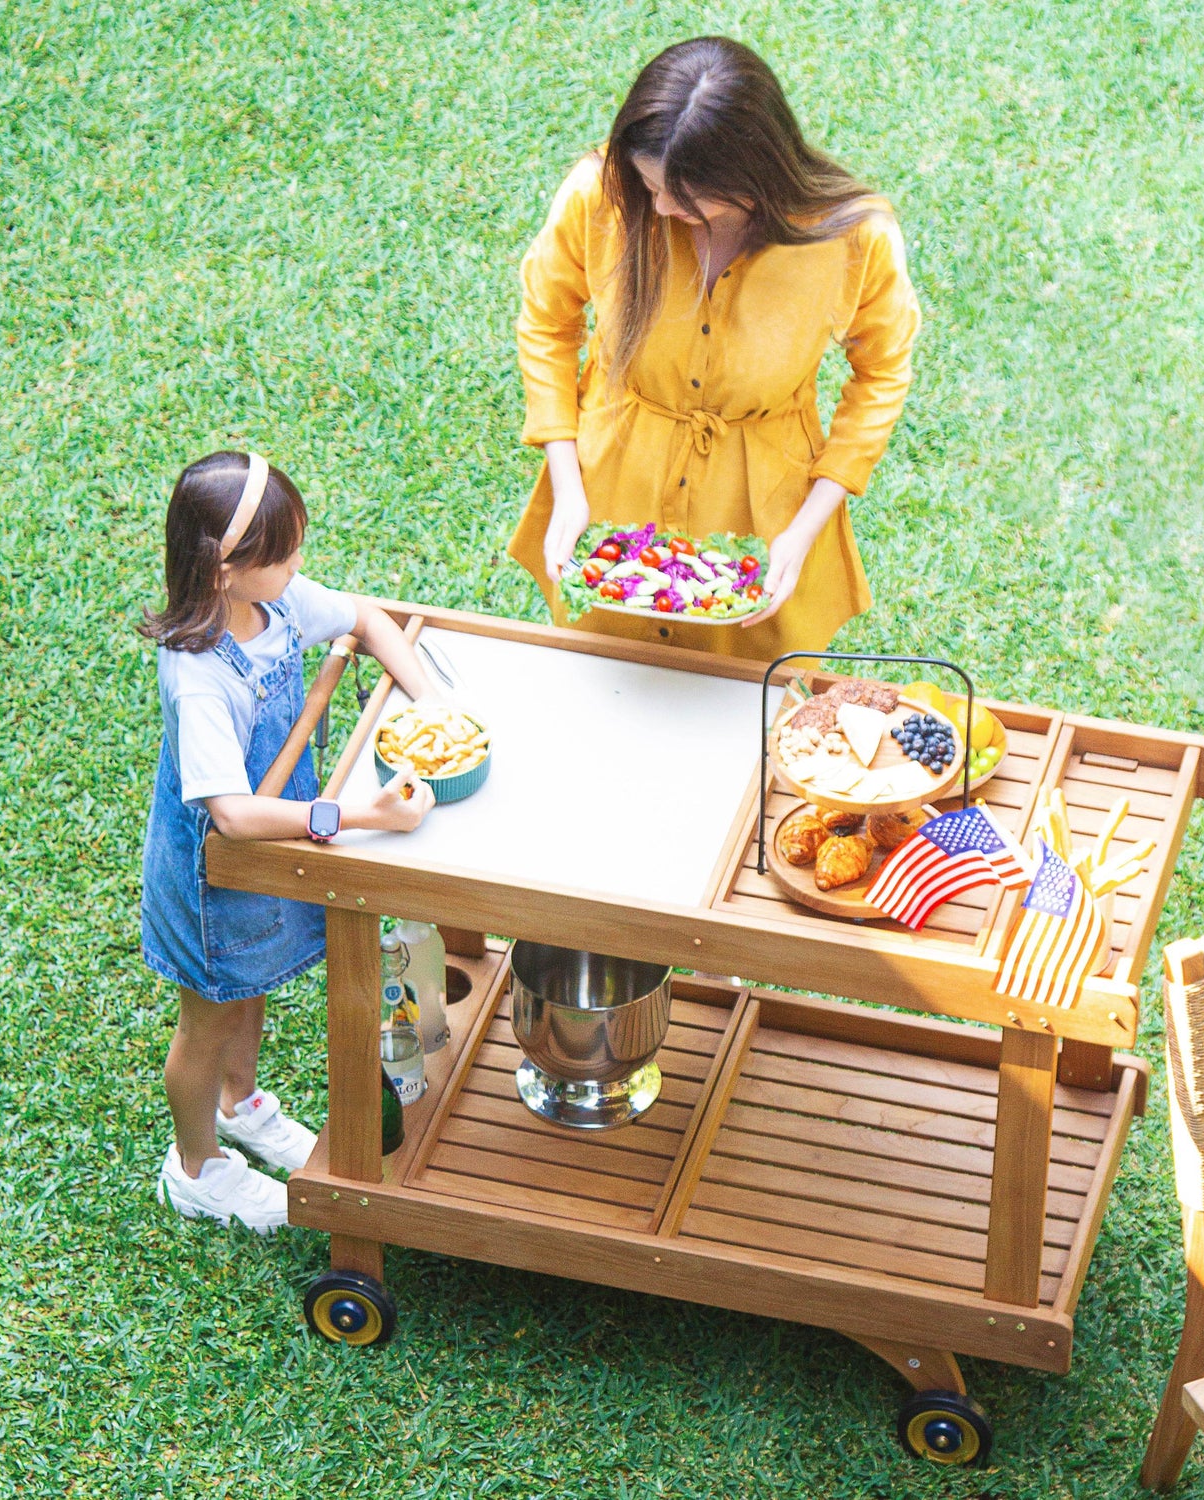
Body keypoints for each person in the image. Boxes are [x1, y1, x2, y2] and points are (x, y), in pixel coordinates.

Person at [509, 36, 921, 661]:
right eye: (650, 186)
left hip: (764, 498)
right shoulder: (601, 192)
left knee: (747, 684)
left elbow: (883, 373)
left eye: (687, 196)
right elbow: (546, 320)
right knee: (607, 668)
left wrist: (803, 529)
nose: (661, 206)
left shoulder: (856, 237)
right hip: (617, 472)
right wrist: (568, 485)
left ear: (753, 176)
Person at [139, 451, 435, 1233]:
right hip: (217, 871)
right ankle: (196, 1167)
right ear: (225, 569)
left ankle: (241, 1107)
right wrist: (362, 818)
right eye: (284, 554)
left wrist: (434, 703)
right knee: (209, 1013)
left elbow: (368, 619)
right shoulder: (199, 674)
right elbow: (232, 813)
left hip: (270, 856)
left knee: (253, 985)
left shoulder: (281, 605)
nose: (299, 565)